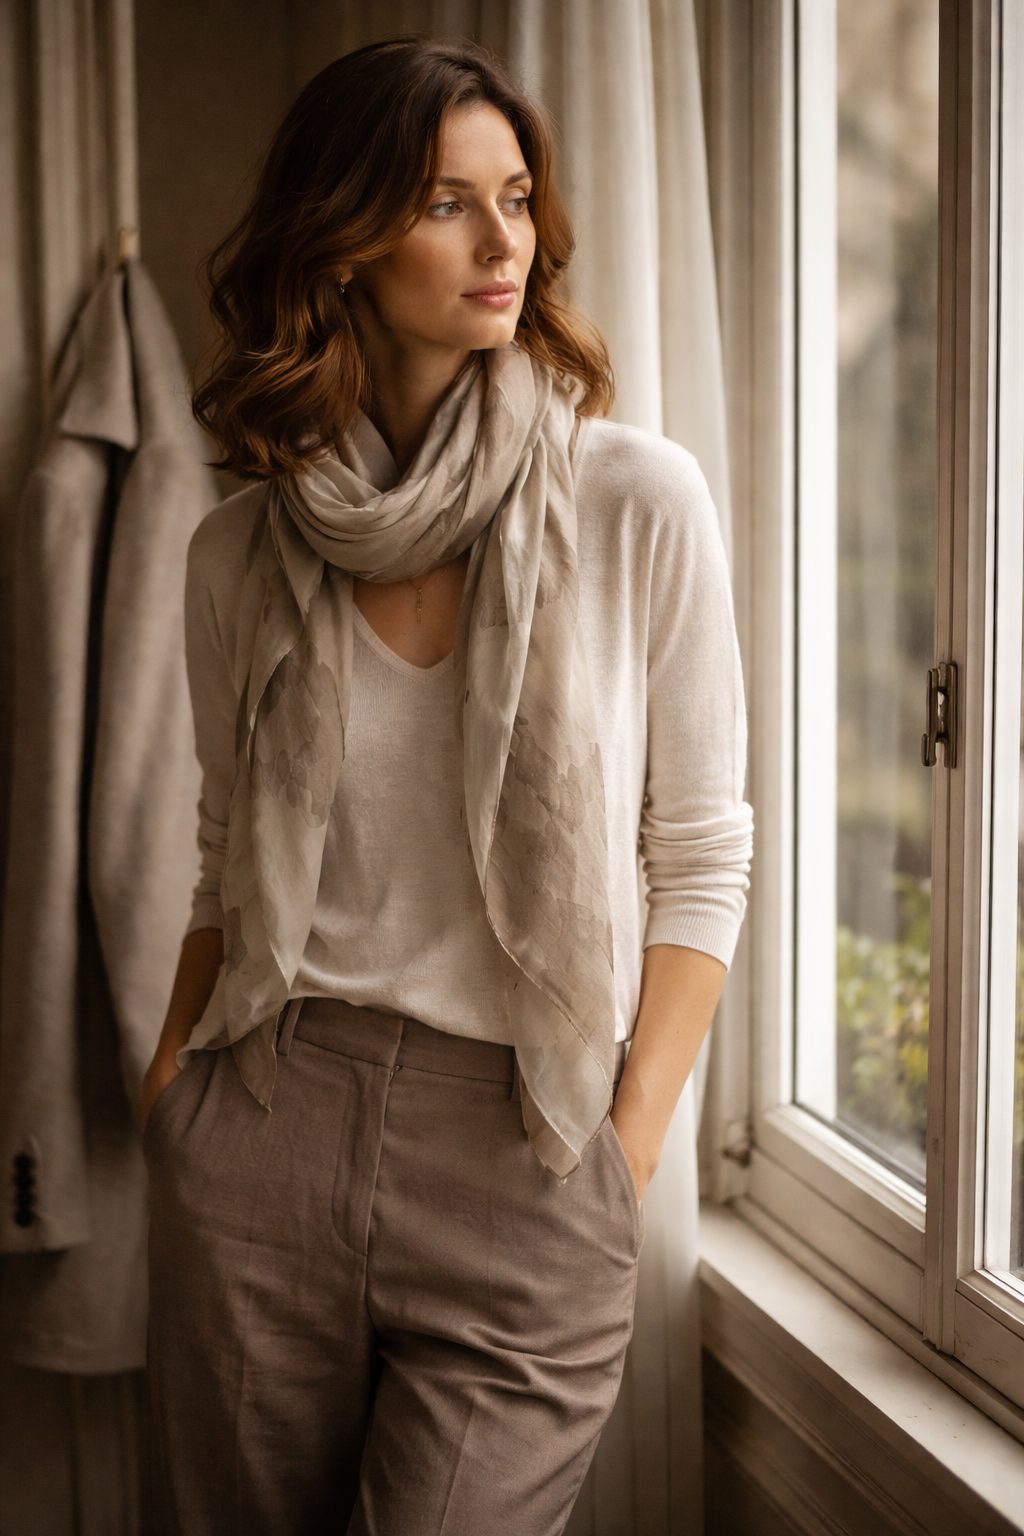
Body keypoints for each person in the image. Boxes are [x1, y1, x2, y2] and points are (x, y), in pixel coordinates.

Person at [139, 31, 753, 1536]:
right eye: (443, 201)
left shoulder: (634, 500)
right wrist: (176, 1095)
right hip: (273, 1111)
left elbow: (703, 850)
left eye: (519, 198)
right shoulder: (240, 549)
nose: (503, 242)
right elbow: (221, 853)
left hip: (529, 1140)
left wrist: (629, 1142)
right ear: (340, 243)